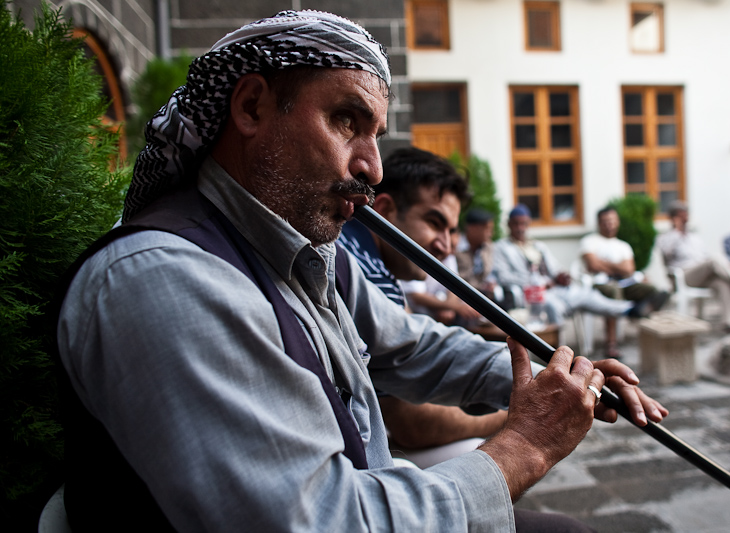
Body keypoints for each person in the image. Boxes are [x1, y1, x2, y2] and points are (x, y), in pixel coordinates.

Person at [57, 11, 668, 532]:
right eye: (347, 120)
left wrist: (549, 378)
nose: (372, 167)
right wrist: (527, 445)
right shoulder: (167, 279)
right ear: (251, 107)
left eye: (375, 133)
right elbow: (322, 521)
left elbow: (411, 348)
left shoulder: (306, 251)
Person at [338, 147, 504, 466]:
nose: (445, 245)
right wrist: (512, 417)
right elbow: (411, 425)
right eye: (433, 221)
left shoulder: (356, 247)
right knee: (480, 455)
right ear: (385, 210)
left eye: (451, 230)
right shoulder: (365, 270)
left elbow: (416, 341)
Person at [493, 205, 659, 328]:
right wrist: (539, 283)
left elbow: (555, 267)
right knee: (553, 307)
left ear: (529, 224)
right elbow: (504, 277)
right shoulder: (501, 248)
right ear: (509, 224)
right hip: (533, 294)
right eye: (516, 224)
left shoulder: (538, 246)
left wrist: (561, 275)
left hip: (556, 289)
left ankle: (630, 310)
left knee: (588, 294)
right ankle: (558, 356)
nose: (520, 228)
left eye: (524, 224)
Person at [657, 200, 730, 332]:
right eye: (681, 215)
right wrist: (677, 231)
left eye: (686, 214)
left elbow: (705, 257)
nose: (685, 217)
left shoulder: (694, 238)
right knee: (715, 259)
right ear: (673, 217)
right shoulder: (666, 237)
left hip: (702, 274)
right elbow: (667, 252)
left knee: (721, 282)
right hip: (683, 275)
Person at [579, 206, 668, 358]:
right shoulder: (589, 241)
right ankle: (611, 343)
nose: (609, 224)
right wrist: (618, 266)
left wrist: (605, 264)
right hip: (600, 283)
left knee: (652, 289)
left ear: (617, 222)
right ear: (599, 223)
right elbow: (593, 265)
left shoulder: (623, 245)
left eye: (612, 221)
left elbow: (629, 269)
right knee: (615, 291)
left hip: (625, 282)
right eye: (606, 221)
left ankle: (639, 314)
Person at [455, 208, 498, 299]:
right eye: (487, 229)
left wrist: (491, 284)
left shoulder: (487, 247)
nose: (490, 234)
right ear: (472, 229)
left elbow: (491, 273)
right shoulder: (456, 249)